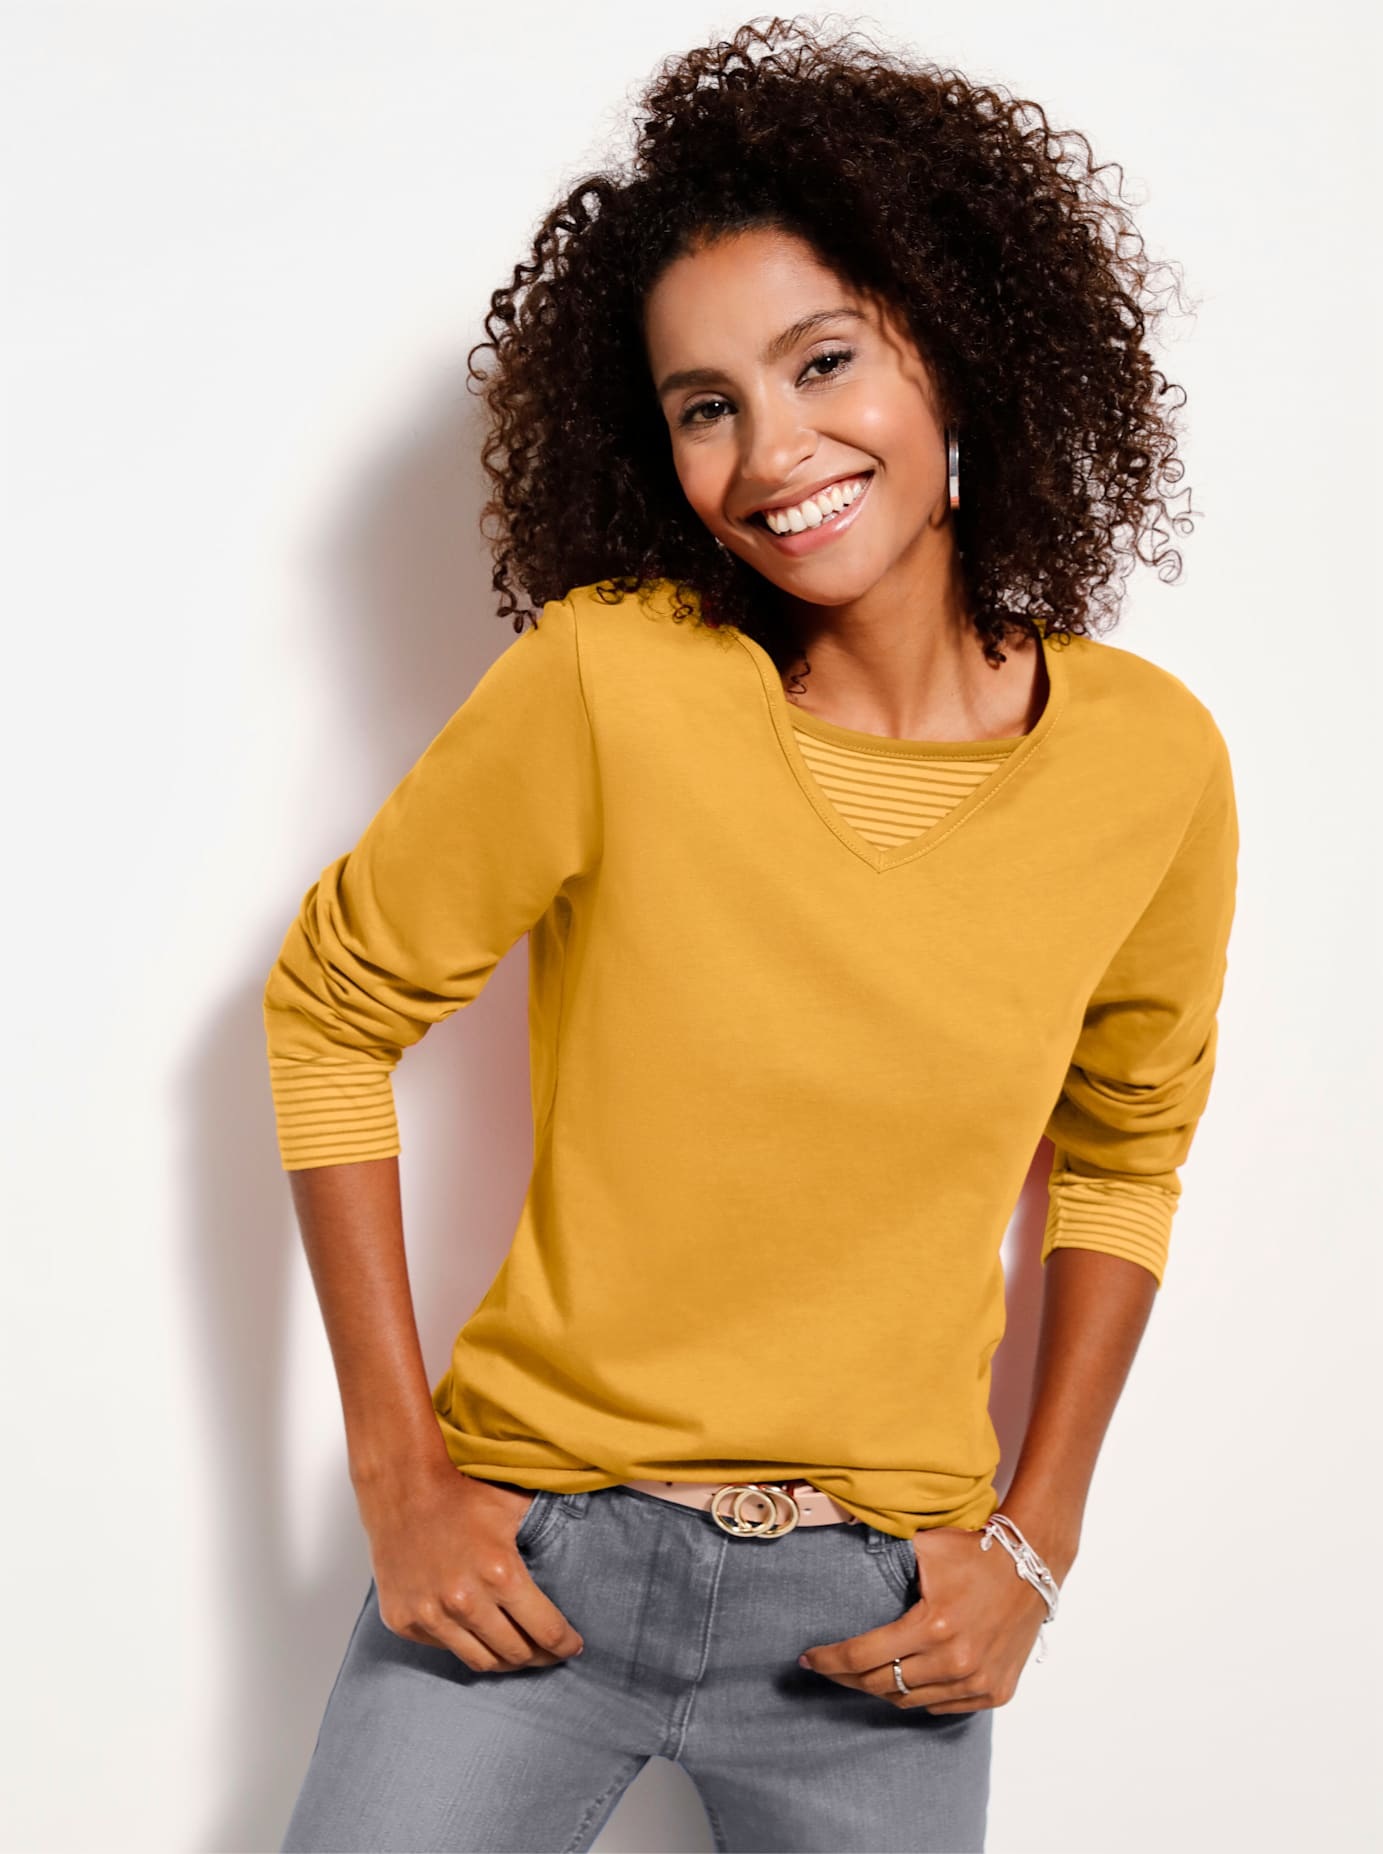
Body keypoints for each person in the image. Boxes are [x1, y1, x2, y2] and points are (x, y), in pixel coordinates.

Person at [261, 19, 1239, 1854]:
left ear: (955, 341)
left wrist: (1038, 1541)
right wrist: (399, 1474)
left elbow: (1123, 1151)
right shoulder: (611, 683)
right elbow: (328, 1011)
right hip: (534, 1557)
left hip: (879, 1620)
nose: (774, 450)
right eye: (705, 404)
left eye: (824, 360)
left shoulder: (1150, 762)